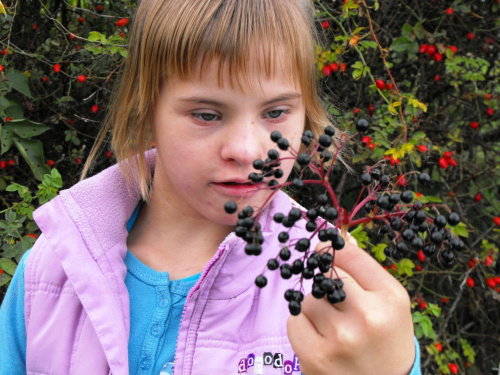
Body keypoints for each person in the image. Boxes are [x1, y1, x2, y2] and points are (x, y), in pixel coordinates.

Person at [0, 0, 421, 374]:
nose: (247, 151)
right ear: (145, 112)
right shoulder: (55, 269)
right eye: (206, 115)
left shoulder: (323, 287)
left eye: (275, 111)